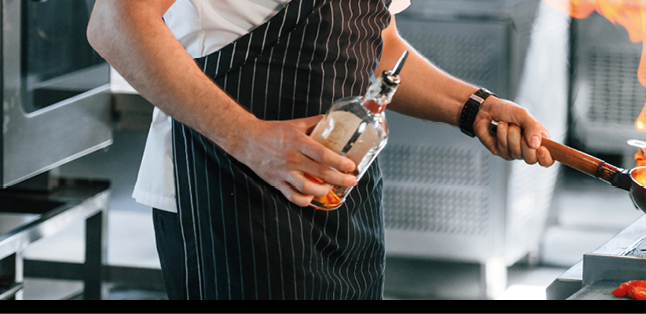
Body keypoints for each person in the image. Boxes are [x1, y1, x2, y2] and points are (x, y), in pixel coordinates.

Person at [87, 0, 555, 300]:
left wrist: (472, 107)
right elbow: (114, 22)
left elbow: (374, 41)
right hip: (227, 197)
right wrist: (249, 138)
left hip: (344, 200)